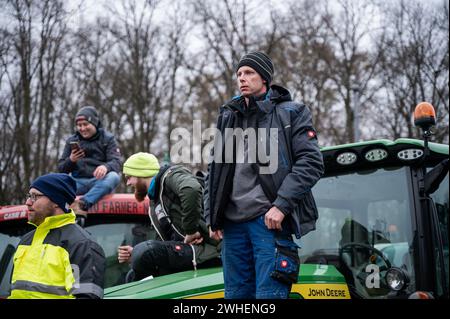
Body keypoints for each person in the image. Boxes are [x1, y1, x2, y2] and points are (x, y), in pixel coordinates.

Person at [204, 51, 324, 299]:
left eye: (249, 73)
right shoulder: (228, 116)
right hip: (232, 227)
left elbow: (311, 162)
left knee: (269, 297)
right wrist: (211, 217)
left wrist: (281, 205)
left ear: (265, 78)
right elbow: (213, 171)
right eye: (239, 74)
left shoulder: (291, 112)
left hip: (268, 223)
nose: (242, 79)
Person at [117, 152, 221, 281]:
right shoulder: (154, 204)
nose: (127, 183)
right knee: (132, 275)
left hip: (209, 250)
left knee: (146, 250)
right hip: (184, 252)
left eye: (129, 177)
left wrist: (191, 230)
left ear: (141, 173)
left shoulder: (170, 175)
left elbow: (191, 189)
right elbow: (162, 244)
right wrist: (135, 252)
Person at [9, 173, 106, 299]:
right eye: (28, 196)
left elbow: (86, 296)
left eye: (34, 196)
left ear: (56, 201)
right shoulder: (26, 240)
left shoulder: (81, 244)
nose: (27, 202)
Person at [58, 106, 122, 215]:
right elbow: (61, 168)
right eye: (79, 125)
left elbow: (116, 161)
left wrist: (106, 167)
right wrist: (71, 160)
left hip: (98, 182)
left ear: (95, 123)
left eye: (85, 124)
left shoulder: (108, 139)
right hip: (77, 182)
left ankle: (82, 203)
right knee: (58, 181)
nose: (82, 128)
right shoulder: (71, 141)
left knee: (114, 177)